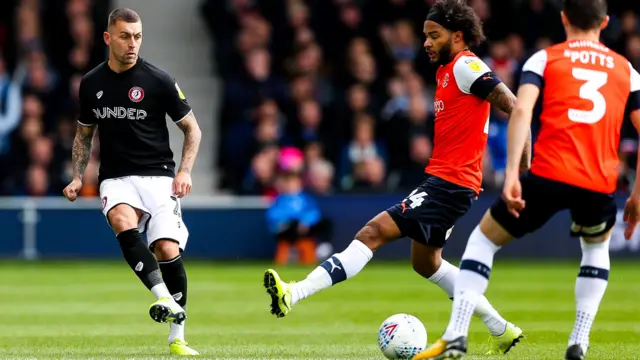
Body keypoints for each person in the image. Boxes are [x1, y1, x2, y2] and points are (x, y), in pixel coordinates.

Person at [263, 0, 531, 355]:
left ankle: (293, 293)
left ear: (458, 36)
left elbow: (516, 106)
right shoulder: (447, 70)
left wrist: (520, 167)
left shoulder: (466, 65)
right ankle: (502, 329)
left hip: (450, 183)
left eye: (434, 35)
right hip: (448, 182)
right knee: (426, 264)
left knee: (371, 233)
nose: (426, 42)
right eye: (425, 36)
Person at [412, 0, 640, 359]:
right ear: (606, 22)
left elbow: (522, 110)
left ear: (564, 19)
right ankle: (579, 340)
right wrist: (637, 193)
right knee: (595, 248)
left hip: (550, 172)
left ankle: (456, 333)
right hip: (599, 180)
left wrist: (513, 178)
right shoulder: (627, 69)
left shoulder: (545, 59)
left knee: (483, 242)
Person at [62, 8, 202, 356]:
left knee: (167, 250)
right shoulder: (92, 83)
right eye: (125, 36)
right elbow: (84, 135)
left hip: (159, 176)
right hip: (116, 178)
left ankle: (177, 337)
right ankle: (164, 299)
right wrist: (78, 176)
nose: (132, 44)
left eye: (137, 36)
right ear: (108, 38)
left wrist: (185, 171)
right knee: (122, 221)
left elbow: (192, 129)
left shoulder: (159, 80)